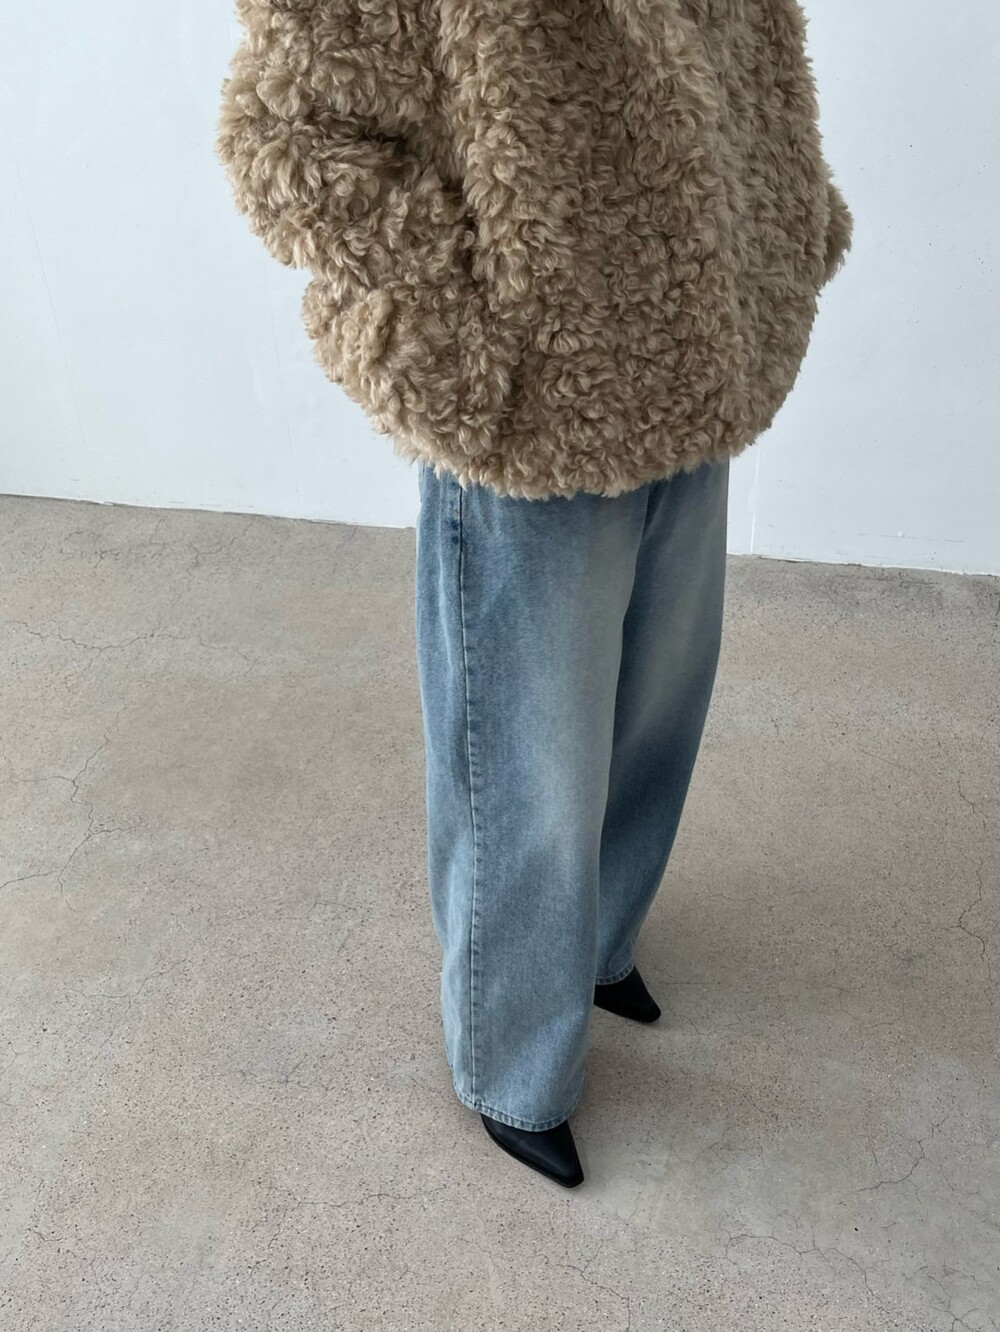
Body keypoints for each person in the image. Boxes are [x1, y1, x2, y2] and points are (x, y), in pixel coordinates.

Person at [216, 0, 852, 1189]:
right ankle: (512, 1060)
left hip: (696, 345)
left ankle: (599, 943)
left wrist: (781, 216)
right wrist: (454, 338)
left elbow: (756, 43)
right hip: (531, 398)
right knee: (527, 758)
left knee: (656, 704)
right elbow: (294, 136)